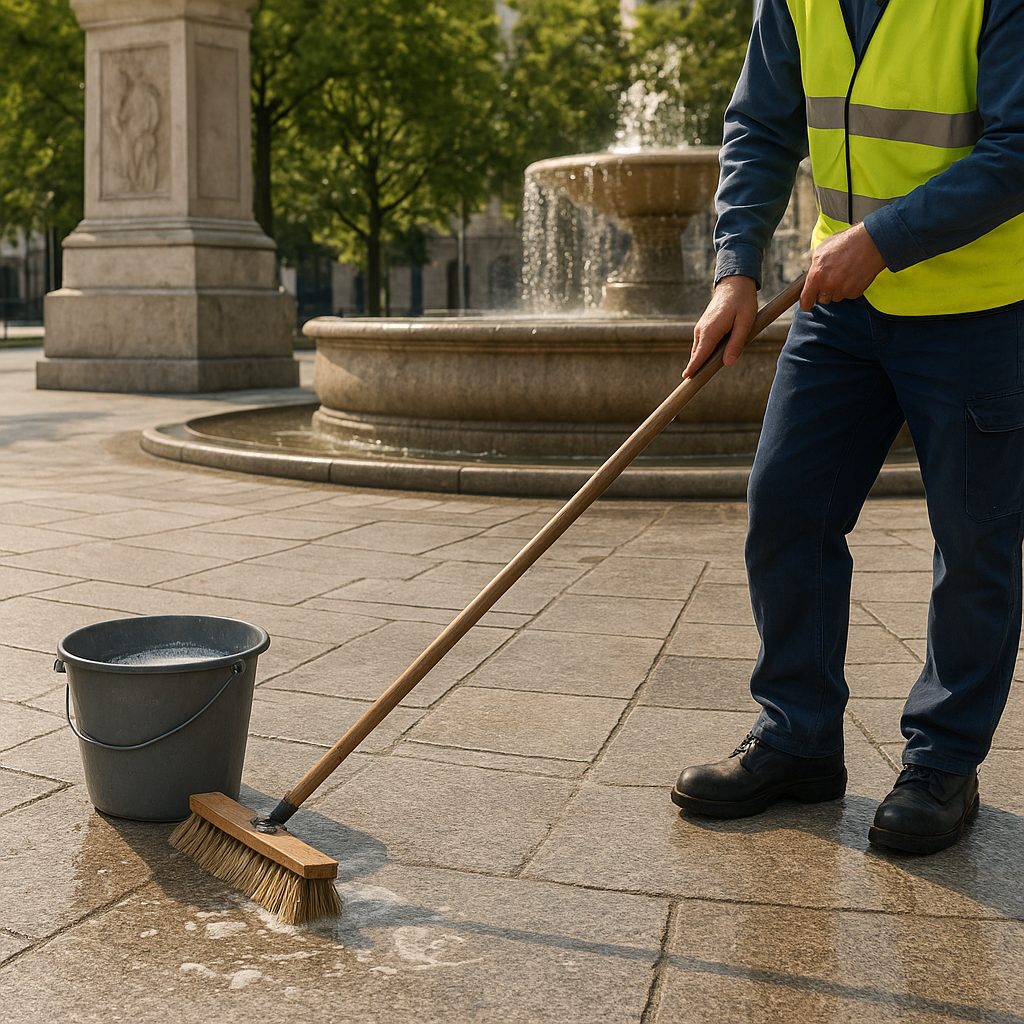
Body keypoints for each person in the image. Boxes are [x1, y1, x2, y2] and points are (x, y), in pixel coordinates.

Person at [670, 0, 1024, 855]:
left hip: (979, 307)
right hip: (843, 310)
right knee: (787, 505)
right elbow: (759, 123)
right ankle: (797, 735)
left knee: (975, 542)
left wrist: (888, 237)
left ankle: (943, 762)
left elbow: (1018, 149)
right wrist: (735, 271)